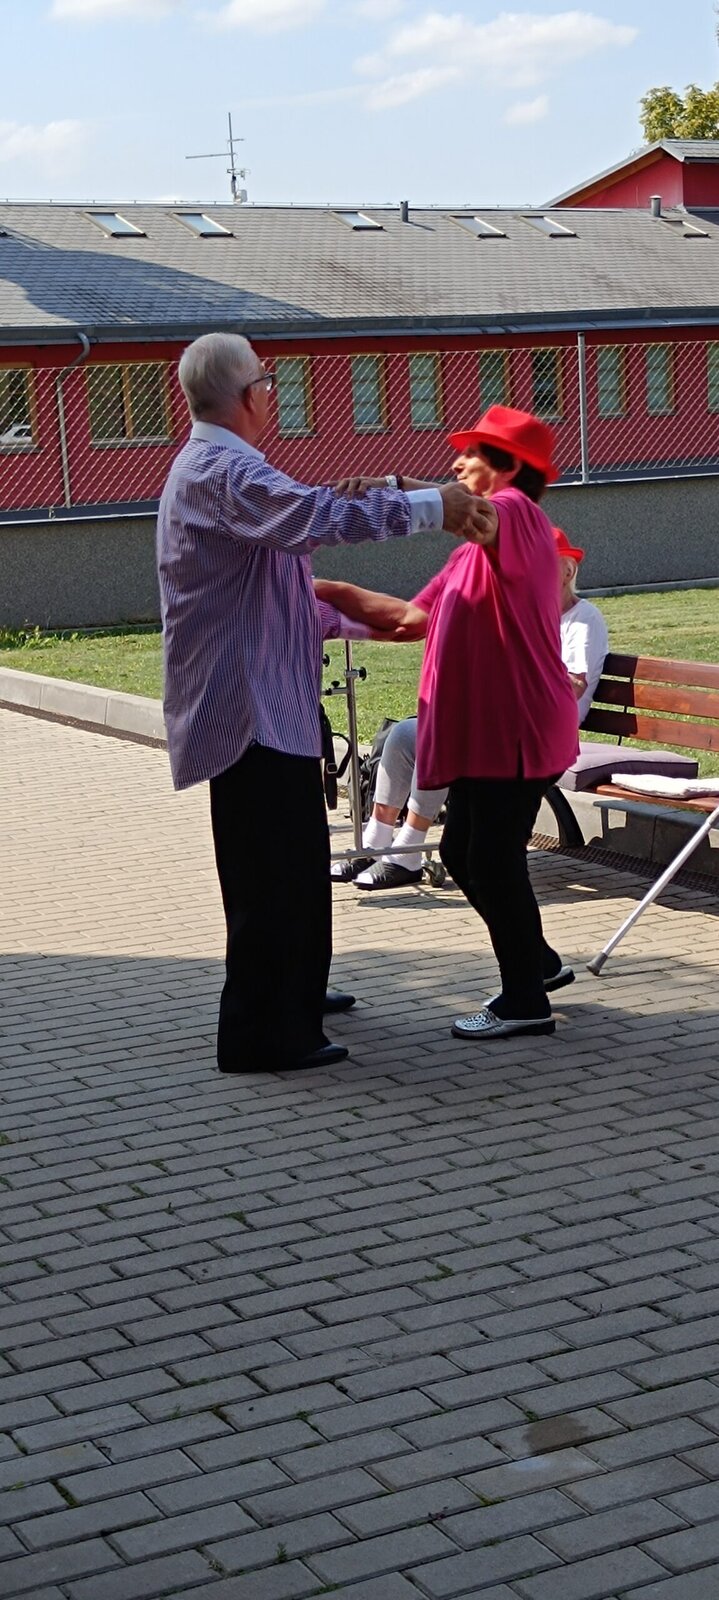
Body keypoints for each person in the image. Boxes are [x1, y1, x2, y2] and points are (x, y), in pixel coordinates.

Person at [156, 332, 491, 1075]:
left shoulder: (230, 466)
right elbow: (313, 520)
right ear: (250, 396)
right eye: (267, 382)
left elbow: (293, 549)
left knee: (296, 866)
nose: (272, 394)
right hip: (246, 709)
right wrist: (430, 504)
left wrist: (364, 509)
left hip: (270, 702)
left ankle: (297, 993)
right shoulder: (221, 469)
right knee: (269, 876)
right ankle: (263, 1032)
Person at [316, 404, 580, 1040]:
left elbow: (476, 513)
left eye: (472, 455)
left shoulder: (519, 515)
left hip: (515, 729)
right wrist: (318, 593)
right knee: (462, 852)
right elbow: (411, 619)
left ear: (509, 467)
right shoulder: (469, 558)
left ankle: (524, 1001)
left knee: (491, 858)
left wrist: (396, 489)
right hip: (485, 736)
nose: (458, 464)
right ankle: (538, 964)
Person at [321, 526, 608, 891]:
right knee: (404, 734)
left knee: (441, 738)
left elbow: (573, 685)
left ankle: (408, 852)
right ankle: (375, 842)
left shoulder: (582, 619)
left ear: (566, 572)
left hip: (541, 731)